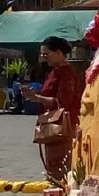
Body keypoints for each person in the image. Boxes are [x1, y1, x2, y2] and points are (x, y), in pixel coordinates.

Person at [25, 36, 81, 181]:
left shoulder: (66, 73)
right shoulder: (54, 71)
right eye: (42, 55)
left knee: (60, 166)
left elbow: (63, 102)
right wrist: (34, 95)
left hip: (63, 125)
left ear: (58, 53)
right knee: (52, 165)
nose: (44, 58)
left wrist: (36, 98)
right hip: (51, 125)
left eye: (46, 54)